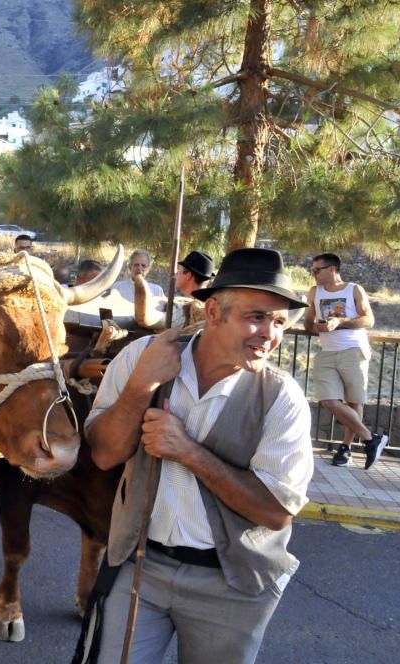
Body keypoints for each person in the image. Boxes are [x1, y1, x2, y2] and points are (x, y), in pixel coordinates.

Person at [81, 248, 313, 664]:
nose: (270, 334)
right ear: (212, 313)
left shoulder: (282, 398)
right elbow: (104, 455)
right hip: (139, 566)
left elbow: (277, 512)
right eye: (256, 316)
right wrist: (140, 387)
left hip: (232, 584)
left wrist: (188, 451)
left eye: (279, 322)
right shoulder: (144, 357)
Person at [304, 253, 387, 469]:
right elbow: (307, 324)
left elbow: (368, 320)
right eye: (313, 270)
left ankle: (346, 448)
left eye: (316, 270)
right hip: (327, 352)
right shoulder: (315, 292)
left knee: (353, 401)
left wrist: (340, 322)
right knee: (329, 400)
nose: (313, 274)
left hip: (353, 350)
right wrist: (317, 327)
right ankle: (371, 438)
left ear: (331, 269)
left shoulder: (354, 289)